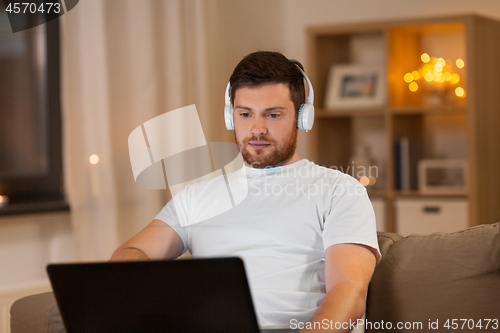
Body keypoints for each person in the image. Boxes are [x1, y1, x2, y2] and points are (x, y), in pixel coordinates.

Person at [111, 51, 380, 332]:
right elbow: (132, 251)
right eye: (245, 114)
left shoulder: (339, 191)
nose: (257, 129)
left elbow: (349, 294)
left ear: (302, 118)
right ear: (231, 117)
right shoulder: (196, 198)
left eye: (273, 115)